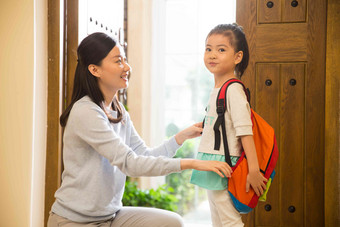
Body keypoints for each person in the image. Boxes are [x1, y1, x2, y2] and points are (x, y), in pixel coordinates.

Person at [47, 32, 231, 227]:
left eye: (125, 60)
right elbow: (130, 163)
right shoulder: (85, 112)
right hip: (74, 221)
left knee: (172, 223)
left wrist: (180, 137)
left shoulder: (118, 112)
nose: (127, 67)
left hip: (111, 216)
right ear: (95, 70)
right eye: (118, 61)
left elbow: (144, 155)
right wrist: (191, 163)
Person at [190, 23, 268, 227]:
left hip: (225, 166)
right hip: (212, 163)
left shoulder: (233, 89)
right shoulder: (218, 88)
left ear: (237, 57)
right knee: (218, 220)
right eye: (208, 49)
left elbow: (245, 131)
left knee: (229, 222)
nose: (212, 54)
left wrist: (253, 170)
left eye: (221, 49)